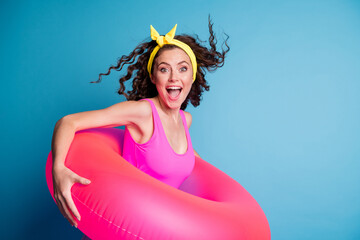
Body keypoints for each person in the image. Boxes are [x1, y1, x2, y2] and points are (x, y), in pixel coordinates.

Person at [51, 18, 229, 234]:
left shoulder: (185, 120)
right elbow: (68, 121)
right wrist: (58, 168)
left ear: (192, 75)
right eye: (164, 70)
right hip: (120, 228)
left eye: (183, 69)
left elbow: (188, 160)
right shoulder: (143, 113)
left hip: (158, 231)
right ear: (153, 77)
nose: (174, 77)